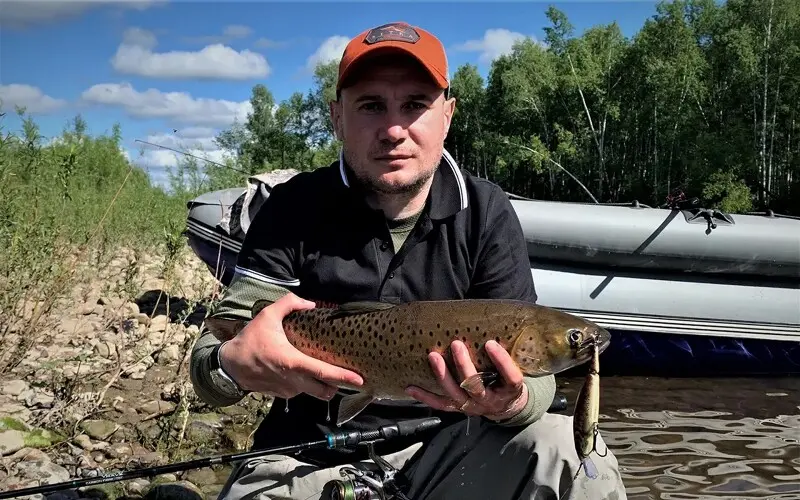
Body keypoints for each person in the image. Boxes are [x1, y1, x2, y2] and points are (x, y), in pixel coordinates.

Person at [189, 21, 626, 500]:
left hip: (454, 451)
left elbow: (537, 392)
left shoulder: (485, 211)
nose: (394, 130)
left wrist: (512, 400)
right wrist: (235, 366)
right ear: (337, 117)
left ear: (448, 115)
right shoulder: (293, 207)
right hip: (307, 455)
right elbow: (211, 363)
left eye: (415, 105)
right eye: (371, 106)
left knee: (567, 449)